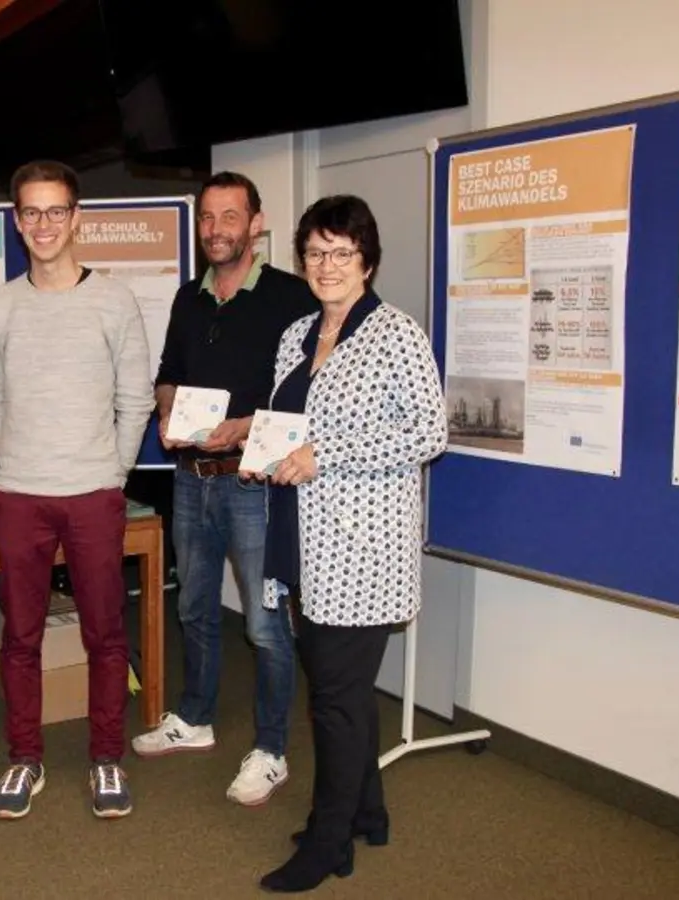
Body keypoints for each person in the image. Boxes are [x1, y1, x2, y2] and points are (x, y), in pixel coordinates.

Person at [248, 195, 447, 893]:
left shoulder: (397, 334)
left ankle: (328, 843)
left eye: (342, 252)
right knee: (345, 690)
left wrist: (325, 453)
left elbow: (430, 433)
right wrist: (264, 451)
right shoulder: (297, 333)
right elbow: (285, 422)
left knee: (332, 697)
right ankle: (368, 811)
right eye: (315, 252)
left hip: (364, 550)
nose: (327, 265)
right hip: (302, 536)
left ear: (367, 260)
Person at [0, 160, 156, 820]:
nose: (44, 224)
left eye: (56, 211)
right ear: (18, 222)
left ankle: (107, 757)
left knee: (105, 633)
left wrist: (111, 472)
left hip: (92, 493)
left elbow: (136, 401)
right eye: (32, 212)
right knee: (19, 636)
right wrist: (21, 452)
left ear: (77, 218)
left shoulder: (112, 301)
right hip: (19, 491)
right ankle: (25, 758)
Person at [131, 171, 319, 806]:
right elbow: (168, 373)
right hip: (192, 481)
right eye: (207, 218)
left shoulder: (293, 297)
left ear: (256, 223)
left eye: (230, 217)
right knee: (194, 608)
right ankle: (195, 717)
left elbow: (305, 394)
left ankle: (271, 749)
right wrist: (167, 412)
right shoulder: (190, 298)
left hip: (252, 484)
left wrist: (242, 426)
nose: (216, 230)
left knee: (266, 625)